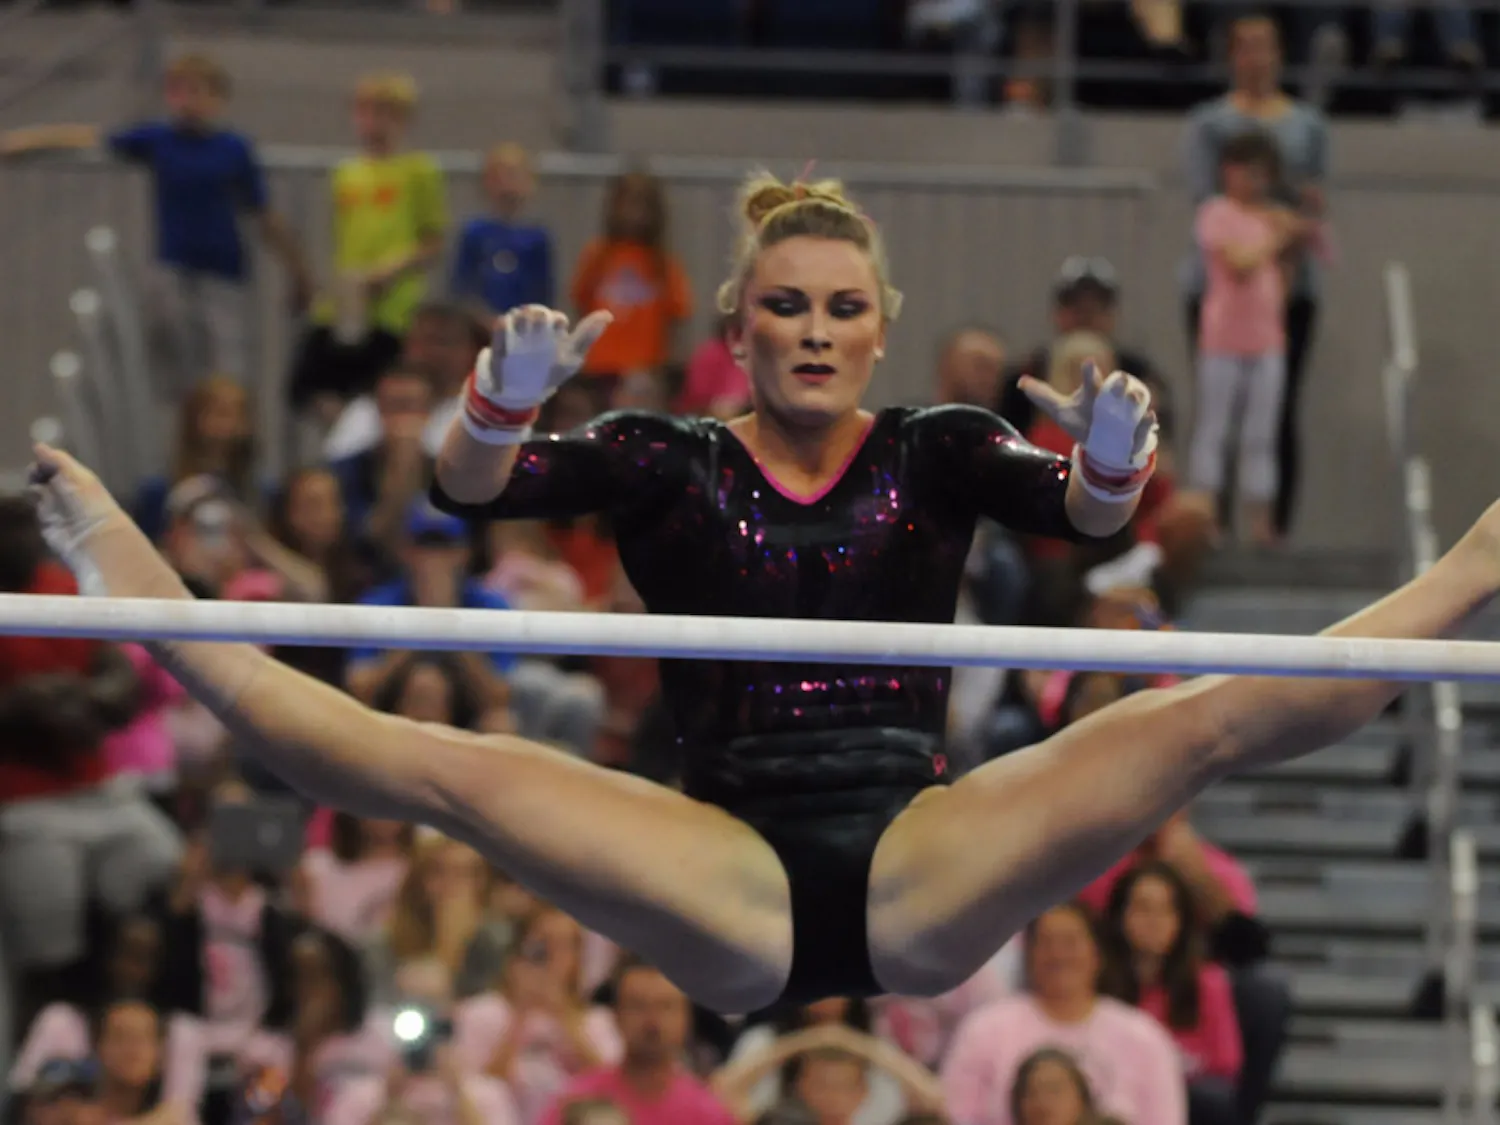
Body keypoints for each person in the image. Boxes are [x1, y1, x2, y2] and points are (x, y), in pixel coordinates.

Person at [31, 168, 1500, 1016]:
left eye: (843, 308)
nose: (814, 328)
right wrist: (492, 404)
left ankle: (1476, 565)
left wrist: (1113, 464)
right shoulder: (662, 456)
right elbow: (471, 493)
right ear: (735, 329)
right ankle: (114, 561)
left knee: (1191, 722)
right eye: (783, 306)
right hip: (722, 862)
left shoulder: (938, 445)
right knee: (440, 766)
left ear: (880, 331)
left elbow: (1077, 514)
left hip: (924, 850)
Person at [0, 53, 311, 390]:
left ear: (217, 98)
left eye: (196, 91)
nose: (186, 101)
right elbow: (90, 136)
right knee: (175, 367)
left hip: (223, 272)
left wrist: (298, 271)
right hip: (173, 268)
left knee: (229, 370)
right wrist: (21, 142)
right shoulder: (161, 139)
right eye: (178, 91)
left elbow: (263, 214)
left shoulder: (232, 149)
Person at [1181, 13, 1329, 539]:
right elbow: (1208, 201)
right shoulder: (1210, 124)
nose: (1256, 58)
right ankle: (1208, 522)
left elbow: (1312, 204)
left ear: (1280, 54)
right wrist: (1272, 231)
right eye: (1244, 47)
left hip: (1280, 298)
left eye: (1265, 46)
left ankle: (1271, 526)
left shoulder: (1307, 125)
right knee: (1216, 420)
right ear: (1231, 56)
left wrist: (1297, 223)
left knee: (1274, 417)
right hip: (1223, 294)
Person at [1187, 128, 1307, 547]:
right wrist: (1278, 234)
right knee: (1214, 431)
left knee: (1262, 435)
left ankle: (1261, 522)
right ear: (1228, 173)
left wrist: (1293, 240)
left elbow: (1285, 278)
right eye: (1246, 172)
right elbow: (1239, 263)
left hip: (1267, 339)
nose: (1254, 183)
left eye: (1261, 174)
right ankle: (1205, 521)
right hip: (1222, 339)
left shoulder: (1269, 217)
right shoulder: (1216, 213)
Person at [451, 144, 554, 318]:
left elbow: (543, 291)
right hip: (480, 325)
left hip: (524, 325)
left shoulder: (537, 238)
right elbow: (463, 287)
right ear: (486, 182)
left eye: (514, 175)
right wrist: (484, 319)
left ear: (530, 182)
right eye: (498, 177)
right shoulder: (475, 233)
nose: (507, 183)